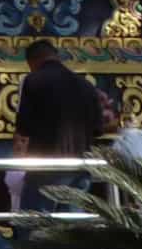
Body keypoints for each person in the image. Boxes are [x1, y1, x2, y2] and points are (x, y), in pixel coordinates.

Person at [13, 35, 106, 166]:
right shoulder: (87, 85)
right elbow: (98, 130)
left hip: (45, 166)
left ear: (32, 62)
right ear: (57, 57)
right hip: (80, 167)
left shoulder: (33, 80)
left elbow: (23, 128)